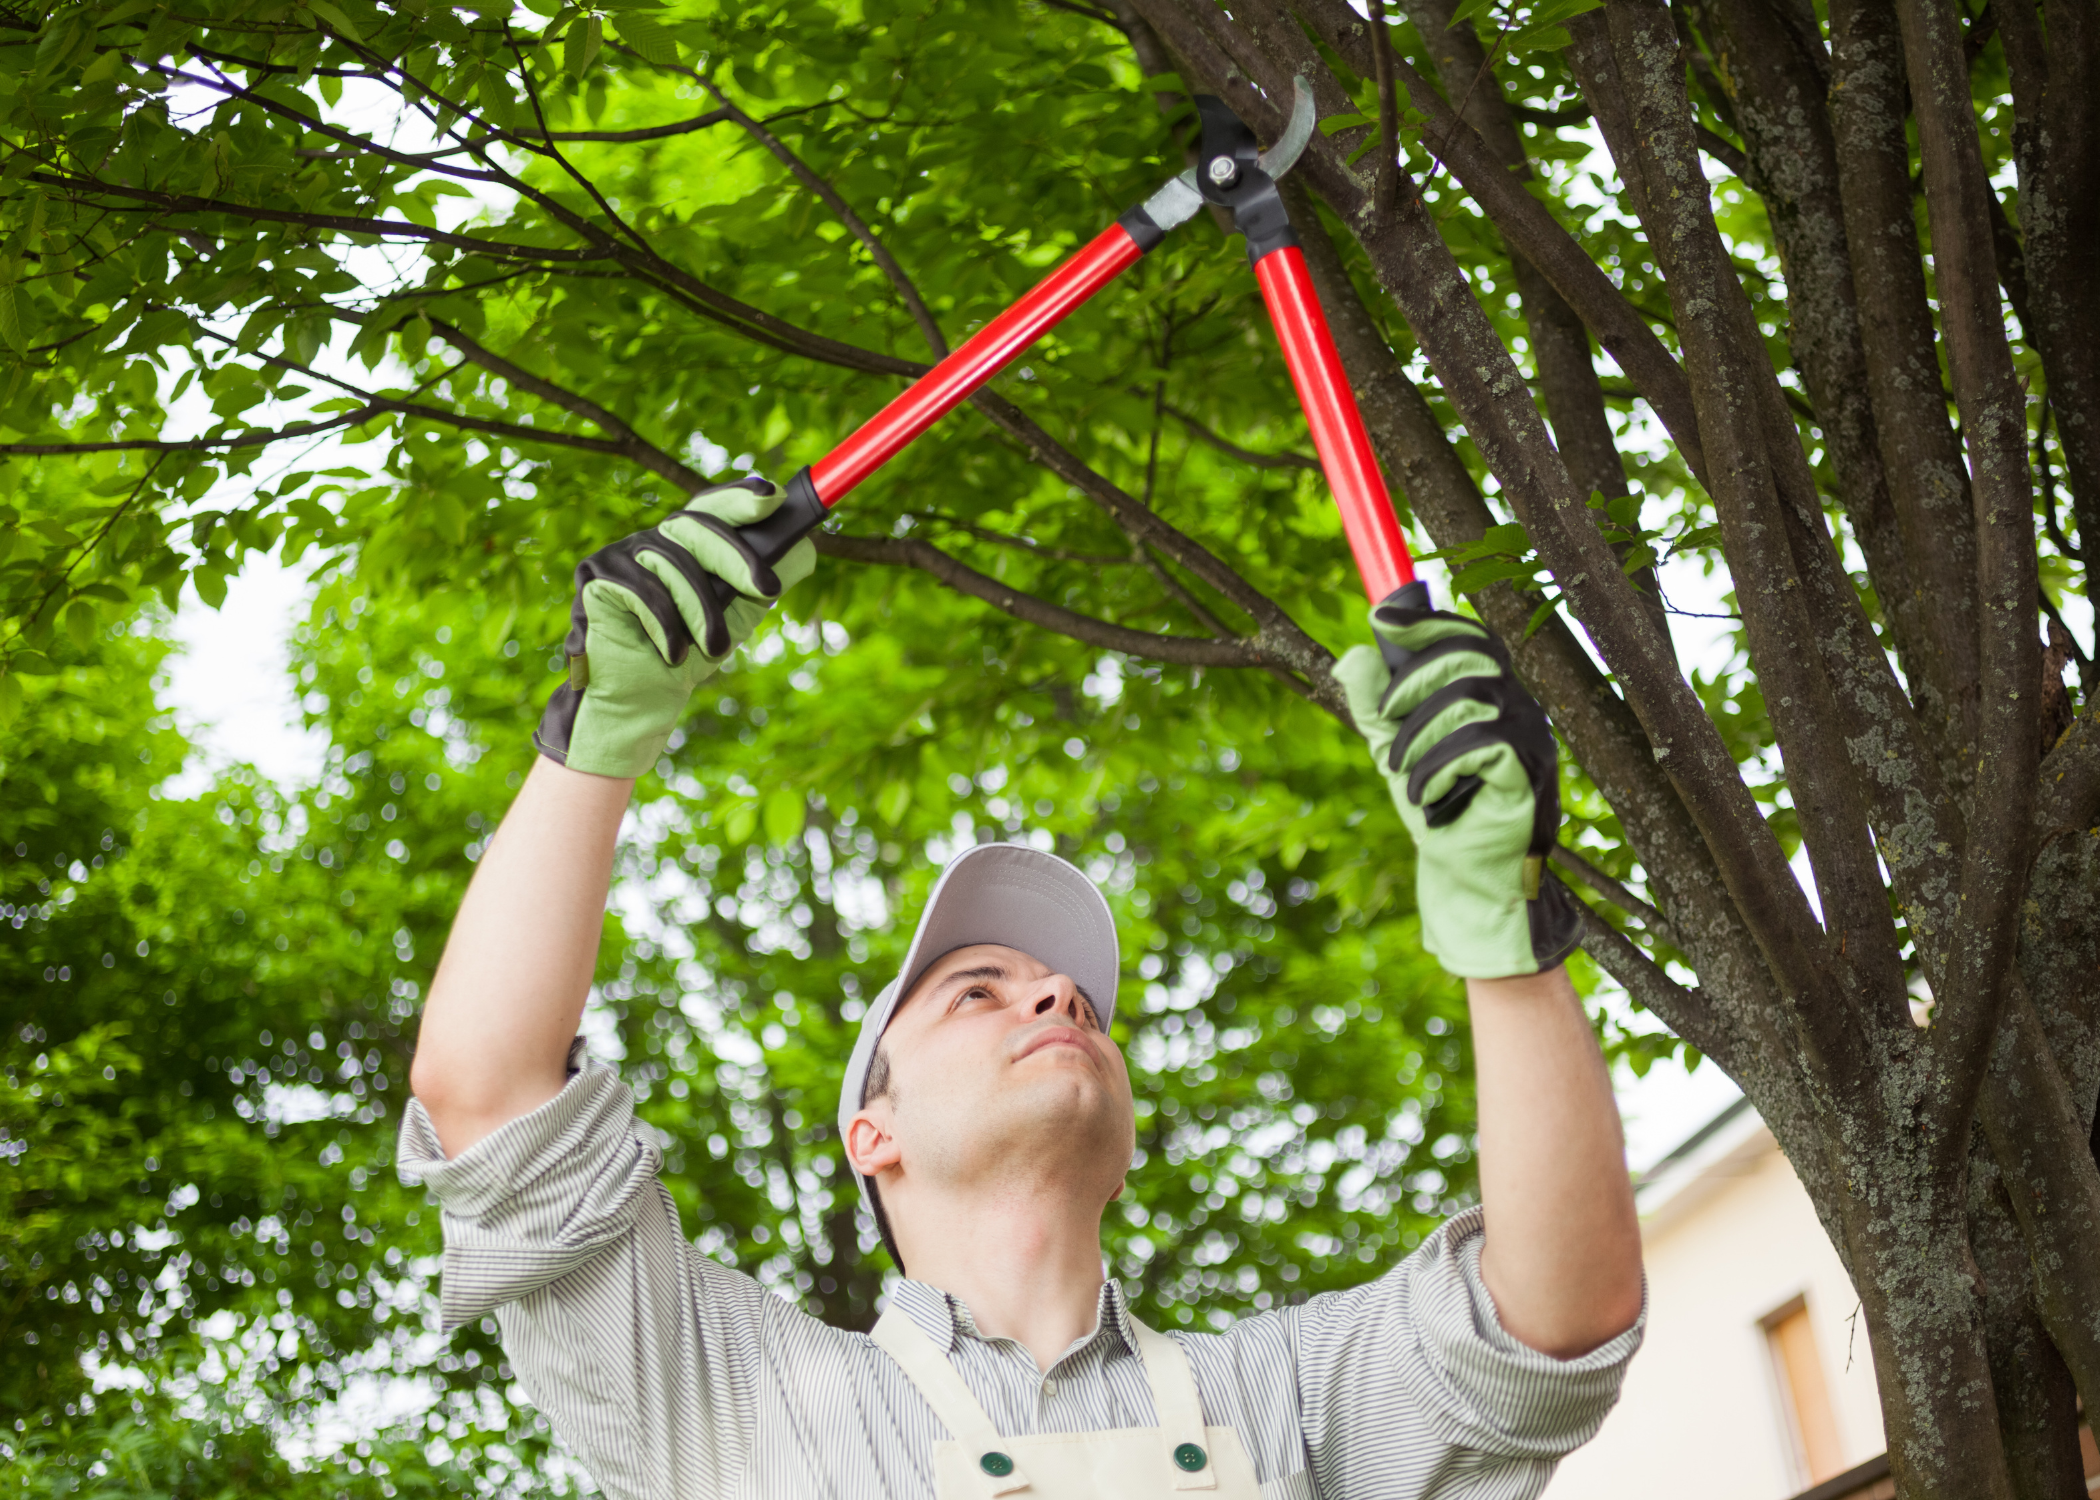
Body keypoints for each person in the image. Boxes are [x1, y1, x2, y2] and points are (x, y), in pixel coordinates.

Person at [398, 479, 1645, 1499]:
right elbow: (490, 1098)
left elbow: (1557, 1318)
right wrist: (599, 735)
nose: (1055, 1000)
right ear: (868, 1132)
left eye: (1079, 1006)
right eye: (978, 993)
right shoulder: (738, 1401)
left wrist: (1505, 931)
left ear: (1128, 1144)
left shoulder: (1287, 1398)